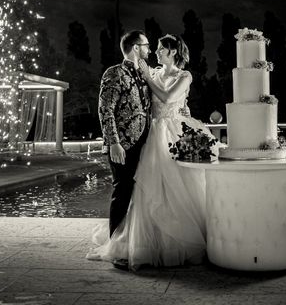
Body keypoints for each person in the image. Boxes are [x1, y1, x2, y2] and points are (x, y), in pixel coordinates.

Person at [88, 33, 219, 270]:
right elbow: (120, 105)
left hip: (170, 134)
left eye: (160, 48)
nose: (155, 52)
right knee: (146, 189)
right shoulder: (148, 73)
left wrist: (181, 108)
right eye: (152, 47)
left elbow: (169, 97)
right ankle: (142, 242)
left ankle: (178, 242)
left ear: (173, 52)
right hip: (149, 136)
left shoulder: (180, 75)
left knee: (177, 189)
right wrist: (114, 140)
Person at [92, 30, 152, 269]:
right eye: (146, 45)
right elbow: (105, 109)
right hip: (123, 144)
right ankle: (116, 248)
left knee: (138, 192)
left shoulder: (143, 73)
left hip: (144, 143)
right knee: (122, 191)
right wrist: (113, 142)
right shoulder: (114, 73)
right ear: (135, 47)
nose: (149, 50)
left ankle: (131, 243)